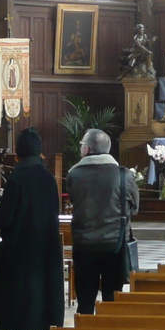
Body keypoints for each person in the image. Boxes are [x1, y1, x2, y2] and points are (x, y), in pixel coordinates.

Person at [0, 128, 64, 330]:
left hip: (20, 252)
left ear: (17, 155)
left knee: (20, 300)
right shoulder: (49, 180)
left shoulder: (16, 179)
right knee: (45, 296)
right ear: (41, 154)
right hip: (46, 251)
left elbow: (4, 219)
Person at [65, 128, 139, 316]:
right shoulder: (124, 175)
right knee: (112, 302)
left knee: (85, 302)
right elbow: (135, 208)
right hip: (114, 245)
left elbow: (74, 200)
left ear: (87, 149)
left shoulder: (74, 175)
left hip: (84, 245)